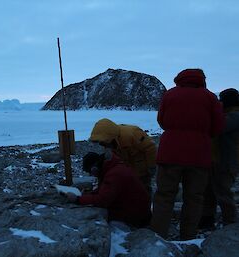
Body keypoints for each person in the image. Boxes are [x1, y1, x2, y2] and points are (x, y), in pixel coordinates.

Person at [150, 68, 225, 240]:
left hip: (170, 153)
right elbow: (218, 127)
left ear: (180, 79)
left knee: (164, 195)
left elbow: (161, 120)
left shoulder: (170, 95)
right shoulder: (209, 97)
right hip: (199, 155)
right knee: (194, 197)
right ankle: (188, 236)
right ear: (202, 80)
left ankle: (157, 236)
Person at [66, 151, 151, 228]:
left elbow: (102, 200)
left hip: (136, 215)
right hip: (137, 209)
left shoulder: (114, 174)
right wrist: (89, 194)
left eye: (90, 171)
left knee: (97, 218)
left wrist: (77, 199)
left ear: (94, 168)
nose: (91, 174)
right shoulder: (113, 168)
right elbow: (106, 191)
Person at [200, 88, 239, 228]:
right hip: (217, 159)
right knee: (209, 190)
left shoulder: (235, 116)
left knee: (223, 192)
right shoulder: (229, 114)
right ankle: (207, 218)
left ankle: (230, 223)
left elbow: (219, 127)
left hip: (227, 161)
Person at [89, 119, 157, 195]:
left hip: (141, 169)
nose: (102, 144)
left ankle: (145, 205)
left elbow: (150, 148)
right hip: (127, 168)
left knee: (143, 190)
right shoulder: (108, 141)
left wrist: (152, 166)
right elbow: (110, 157)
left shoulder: (132, 134)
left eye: (102, 142)